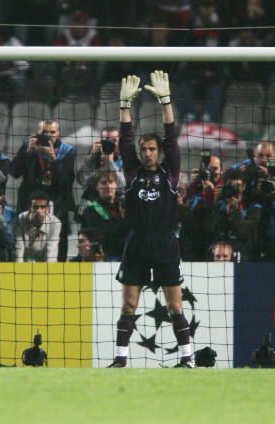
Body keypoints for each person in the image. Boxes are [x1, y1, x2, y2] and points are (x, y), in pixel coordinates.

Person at [109, 71, 194, 368]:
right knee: (129, 304)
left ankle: (187, 358)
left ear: (159, 153)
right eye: (143, 149)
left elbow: (172, 137)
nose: (146, 153)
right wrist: (124, 106)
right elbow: (124, 139)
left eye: (152, 149)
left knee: (174, 305)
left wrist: (165, 101)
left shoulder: (169, 174)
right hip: (137, 243)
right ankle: (120, 359)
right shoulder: (132, 172)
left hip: (166, 243)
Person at [10, 119, 76, 261]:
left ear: (58, 134)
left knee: (57, 244)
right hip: (29, 204)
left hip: (56, 205)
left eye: (52, 132)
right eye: (44, 132)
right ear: (37, 132)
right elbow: (15, 172)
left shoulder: (67, 151)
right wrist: (27, 152)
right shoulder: (28, 146)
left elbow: (65, 182)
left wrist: (53, 158)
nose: (48, 135)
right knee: (24, 242)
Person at [80, 171, 128, 260]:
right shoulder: (91, 210)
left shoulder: (125, 205)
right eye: (103, 183)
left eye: (111, 182)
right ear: (97, 187)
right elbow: (94, 234)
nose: (108, 186)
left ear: (116, 185)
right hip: (105, 256)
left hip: (128, 254)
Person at [15, 191, 62, 262]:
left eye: (42, 207)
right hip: (25, 261)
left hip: (43, 262)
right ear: (29, 208)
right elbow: (19, 248)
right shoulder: (21, 219)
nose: (39, 210)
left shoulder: (55, 223)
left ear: (47, 209)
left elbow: (51, 252)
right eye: (35, 207)